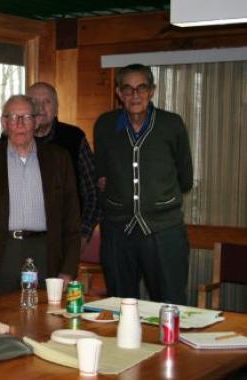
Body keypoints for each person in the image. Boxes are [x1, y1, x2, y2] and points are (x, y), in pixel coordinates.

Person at [0, 95, 80, 299]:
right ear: (4, 123)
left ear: (36, 121)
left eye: (26, 117)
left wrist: (68, 268)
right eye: (13, 117)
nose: (20, 123)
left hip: (45, 252)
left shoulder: (59, 159)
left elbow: (72, 218)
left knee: (44, 321)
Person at [94, 63, 193, 304]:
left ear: (152, 91)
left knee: (169, 303)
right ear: (119, 93)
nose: (134, 95)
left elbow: (186, 177)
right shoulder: (105, 126)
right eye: (127, 89)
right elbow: (101, 176)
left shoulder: (172, 124)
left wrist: (158, 199)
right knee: (120, 306)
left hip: (164, 230)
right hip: (118, 231)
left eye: (141, 88)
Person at [27, 82, 101, 247]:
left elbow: (93, 192)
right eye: (34, 102)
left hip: (65, 238)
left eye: (47, 102)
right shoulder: (12, 140)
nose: (40, 107)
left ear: (56, 108)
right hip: (22, 239)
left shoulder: (74, 138)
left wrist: (83, 233)